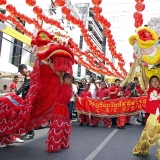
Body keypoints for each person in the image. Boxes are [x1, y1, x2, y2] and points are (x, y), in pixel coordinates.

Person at [132, 60, 160, 159]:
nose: (154, 82)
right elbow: (144, 78)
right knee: (148, 135)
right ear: (151, 84)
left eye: (156, 81)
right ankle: (142, 149)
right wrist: (143, 66)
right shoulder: (150, 89)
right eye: (153, 81)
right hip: (153, 117)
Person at [16, 64, 35, 141]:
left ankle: (30, 133)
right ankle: (29, 132)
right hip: (27, 98)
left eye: (21, 70)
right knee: (26, 116)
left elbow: (25, 85)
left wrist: (16, 93)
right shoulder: (27, 75)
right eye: (20, 71)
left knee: (27, 116)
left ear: (25, 68)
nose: (20, 72)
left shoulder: (29, 74)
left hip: (29, 99)